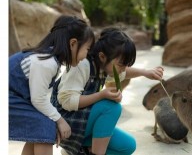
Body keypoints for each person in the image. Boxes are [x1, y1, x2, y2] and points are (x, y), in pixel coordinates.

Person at [51, 27, 164, 155]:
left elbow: (124, 72)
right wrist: (102, 95)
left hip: (83, 124)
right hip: (65, 124)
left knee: (128, 146)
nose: (123, 69)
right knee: (111, 107)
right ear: (102, 56)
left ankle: (79, 151)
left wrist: (145, 72)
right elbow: (68, 102)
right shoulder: (83, 65)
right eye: (121, 64)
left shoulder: (103, 66)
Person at [9, 15, 95, 155]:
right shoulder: (46, 62)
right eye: (87, 48)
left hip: (12, 97)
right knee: (45, 124)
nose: (87, 55)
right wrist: (60, 120)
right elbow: (39, 99)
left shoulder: (49, 59)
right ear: (73, 44)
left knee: (42, 123)